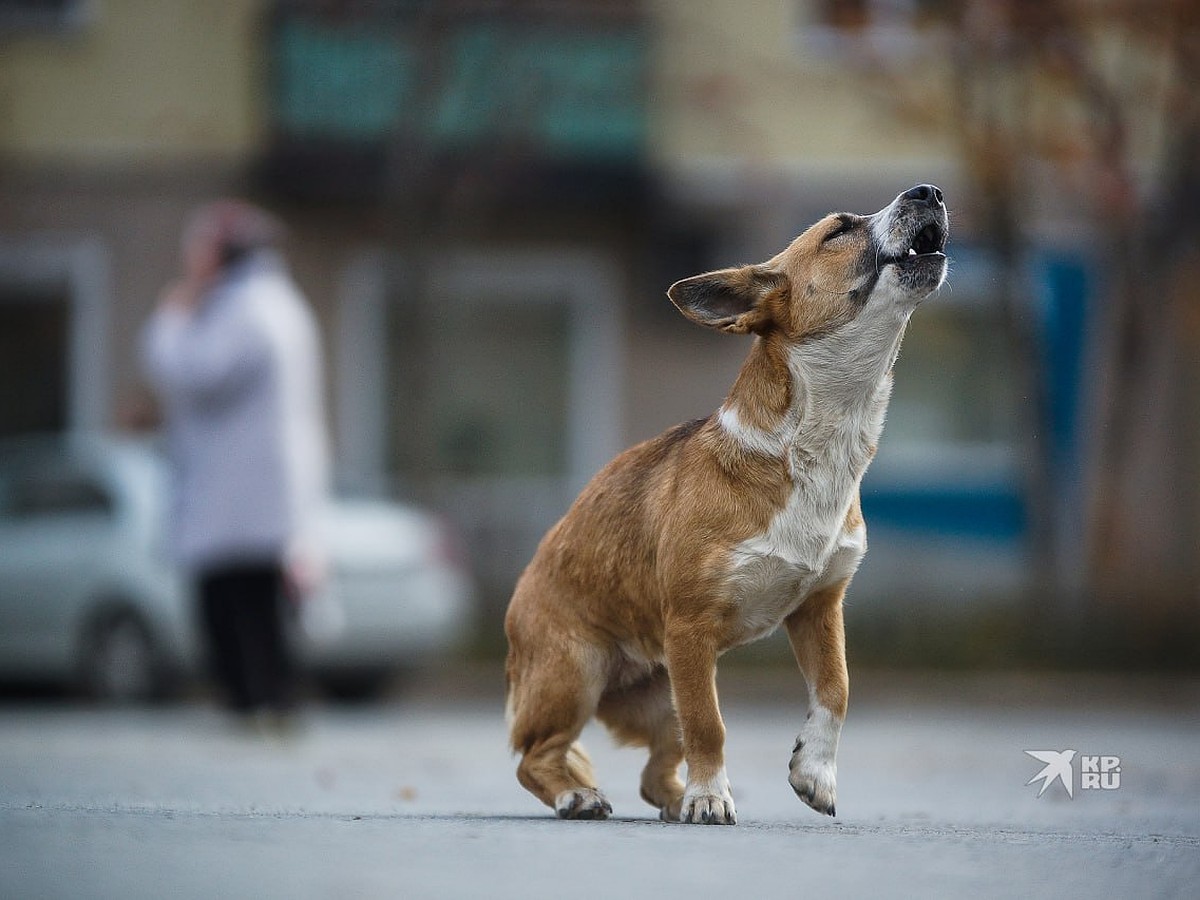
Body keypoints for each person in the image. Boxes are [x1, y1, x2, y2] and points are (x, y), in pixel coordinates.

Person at [141, 199, 329, 727]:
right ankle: (265, 698)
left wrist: (171, 320)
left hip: (238, 489)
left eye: (199, 248)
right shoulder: (275, 303)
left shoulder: (246, 309)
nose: (191, 260)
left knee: (236, 600)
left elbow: (195, 373)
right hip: (254, 486)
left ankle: (256, 699)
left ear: (223, 253)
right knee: (257, 598)